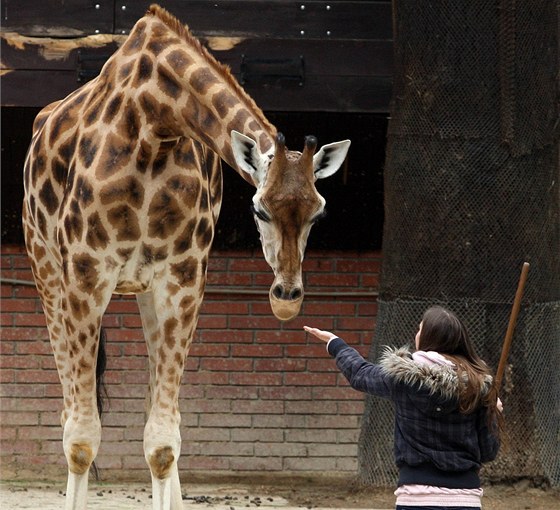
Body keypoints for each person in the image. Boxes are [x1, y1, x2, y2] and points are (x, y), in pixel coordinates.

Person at [304, 305, 503, 510]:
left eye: (420, 329)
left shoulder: (404, 380)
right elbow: (488, 452)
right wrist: (492, 413)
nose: (416, 334)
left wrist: (336, 344)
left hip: (415, 499)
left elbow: (360, 374)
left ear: (428, 338)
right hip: (465, 500)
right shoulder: (477, 388)